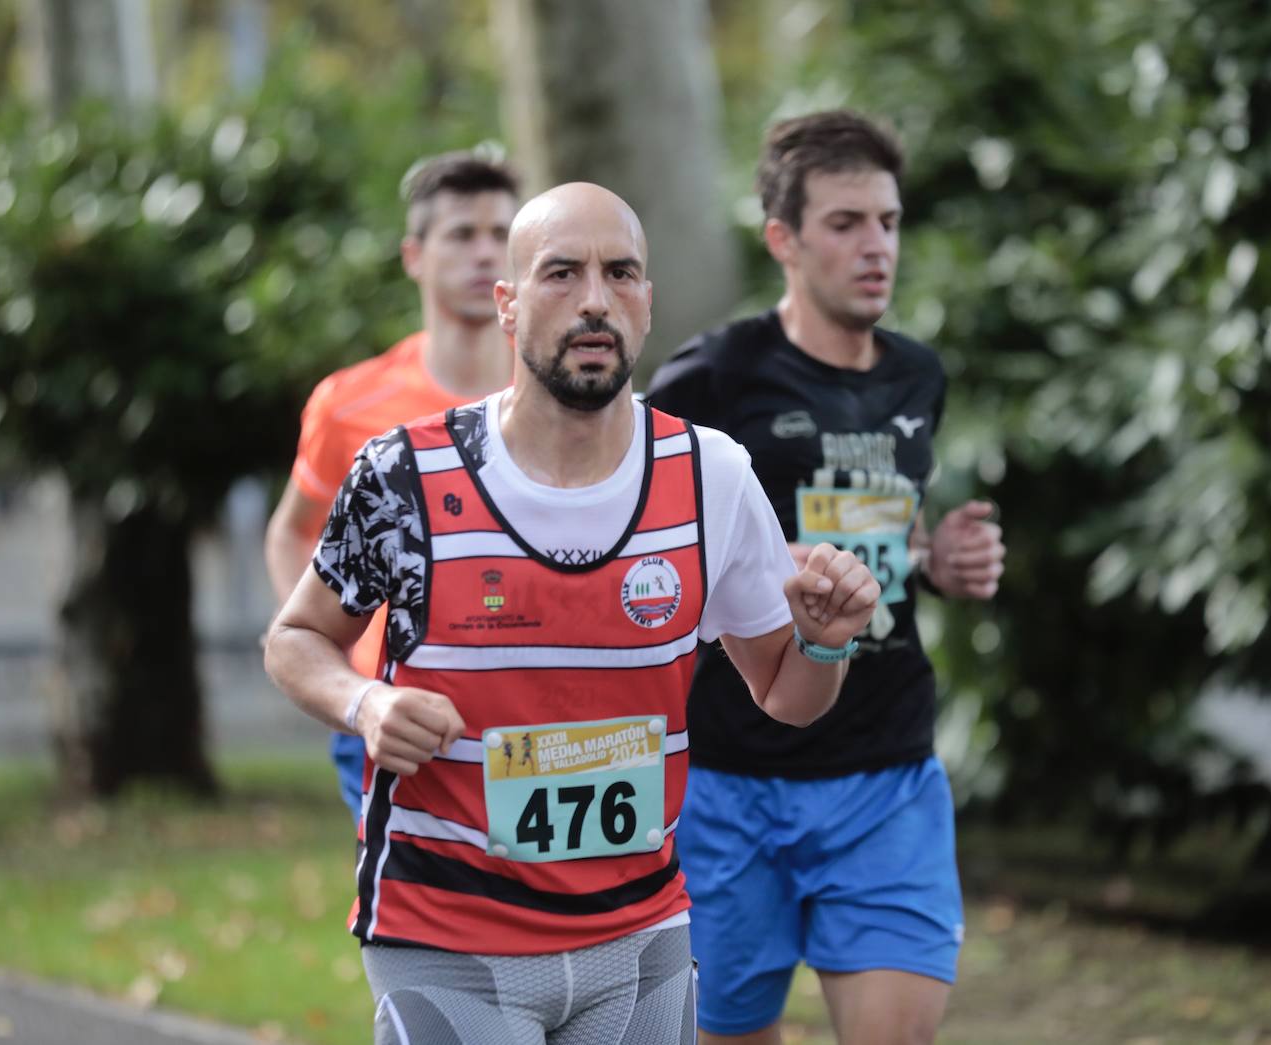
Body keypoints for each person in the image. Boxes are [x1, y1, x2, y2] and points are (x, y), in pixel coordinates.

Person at [264, 182, 882, 1044]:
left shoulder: (712, 476)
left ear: (647, 300)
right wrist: (366, 704)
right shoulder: (401, 474)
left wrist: (822, 645)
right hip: (450, 933)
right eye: (562, 274)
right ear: (509, 307)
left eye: (620, 272)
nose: (595, 299)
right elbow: (296, 638)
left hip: (638, 935)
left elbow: (786, 692)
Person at [647, 110, 1007, 1045]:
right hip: (732, 777)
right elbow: (637, 528)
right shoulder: (713, 377)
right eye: (846, 223)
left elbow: (889, 523)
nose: (876, 245)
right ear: (784, 239)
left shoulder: (918, 378)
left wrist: (938, 561)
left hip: (886, 772)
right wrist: (763, 572)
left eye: (888, 221)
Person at [264, 150, 519, 821]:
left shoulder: (568, 397)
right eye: (463, 234)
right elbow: (293, 529)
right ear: (414, 255)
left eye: (502, 235)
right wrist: (334, 671)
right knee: (416, 921)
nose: (485, 253)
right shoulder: (349, 403)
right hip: (395, 717)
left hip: (535, 708)